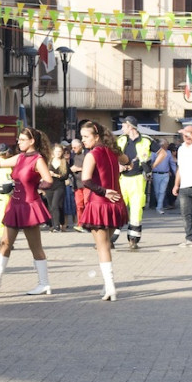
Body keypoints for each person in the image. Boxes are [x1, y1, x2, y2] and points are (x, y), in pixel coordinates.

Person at [0, 128, 54, 295]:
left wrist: (34, 188)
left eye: (23, 139)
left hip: (29, 206)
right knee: (5, 243)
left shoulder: (37, 159)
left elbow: (48, 181)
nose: (19, 142)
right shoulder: (20, 157)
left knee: (35, 247)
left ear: (32, 141)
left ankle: (44, 283)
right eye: (19, 139)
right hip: (15, 204)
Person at [78, 122, 129, 301]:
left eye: (86, 136)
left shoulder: (92, 154)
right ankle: (106, 285)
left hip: (99, 203)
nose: (82, 140)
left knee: (102, 247)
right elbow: (127, 161)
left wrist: (104, 191)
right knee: (106, 245)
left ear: (96, 136)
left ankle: (111, 287)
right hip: (115, 203)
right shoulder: (113, 152)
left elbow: (86, 181)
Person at [114, 116, 166, 249]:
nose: (122, 128)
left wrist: (151, 166)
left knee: (136, 209)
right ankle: (111, 237)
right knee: (118, 207)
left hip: (138, 178)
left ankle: (133, 239)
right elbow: (113, 156)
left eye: (124, 126)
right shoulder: (121, 140)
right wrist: (117, 166)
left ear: (131, 126)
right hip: (122, 178)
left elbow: (162, 153)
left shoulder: (146, 140)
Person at [44, 144, 69, 233]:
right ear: (53, 152)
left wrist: (55, 175)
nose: (58, 153)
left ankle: (56, 226)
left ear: (62, 152)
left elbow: (65, 176)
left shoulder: (64, 162)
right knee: (52, 207)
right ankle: (60, 222)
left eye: (60, 151)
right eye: (56, 151)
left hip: (59, 186)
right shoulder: (48, 162)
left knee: (55, 205)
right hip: (49, 186)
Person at [151, 141, 177, 214]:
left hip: (165, 174)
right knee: (157, 191)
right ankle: (159, 205)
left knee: (162, 191)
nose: (167, 146)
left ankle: (159, 207)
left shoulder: (168, 153)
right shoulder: (154, 152)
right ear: (161, 145)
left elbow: (172, 163)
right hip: (156, 174)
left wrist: (175, 173)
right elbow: (151, 161)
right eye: (166, 145)